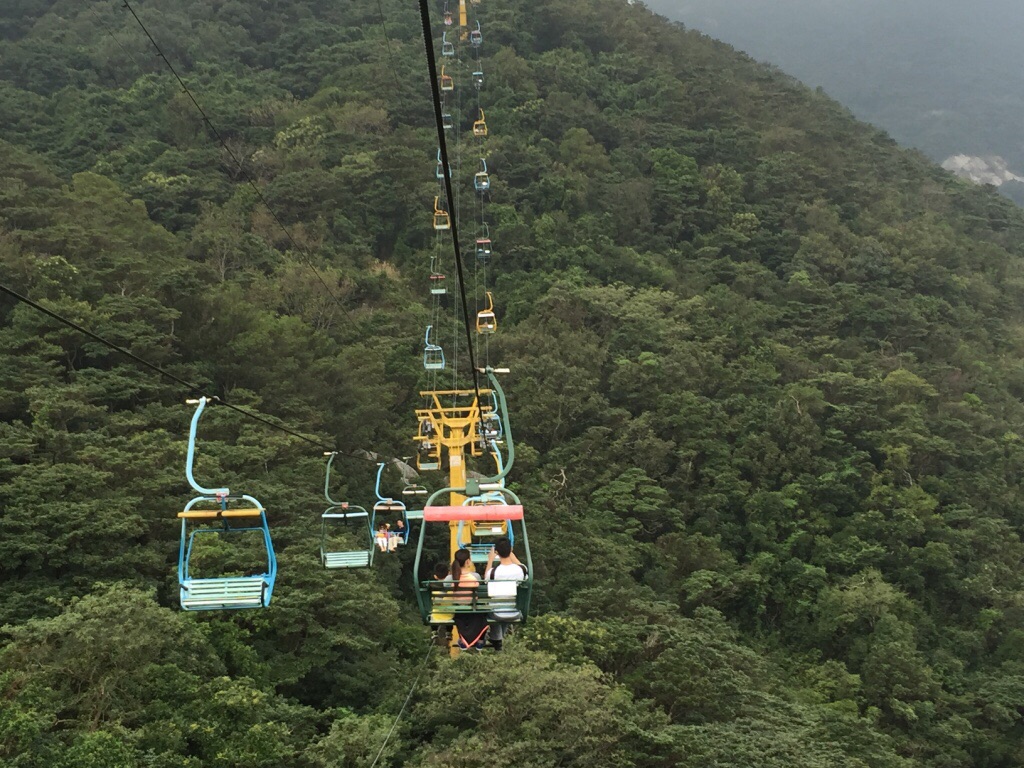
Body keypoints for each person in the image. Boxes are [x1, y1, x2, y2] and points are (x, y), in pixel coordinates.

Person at [484, 538, 527, 651]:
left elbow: (485, 579)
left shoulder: (493, 573)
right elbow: (523, 568)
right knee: (507, 602)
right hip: (515, 611)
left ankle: (496, 638)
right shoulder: (521, 570)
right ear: (511, 549)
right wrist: (511, 553)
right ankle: (497, 639)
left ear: (496, 552)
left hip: (496, 613)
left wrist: (490, 560)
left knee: (495, 604)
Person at [450, 549, 488, 650]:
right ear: (467, 562)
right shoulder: (474, 577)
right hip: (473, 611)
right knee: (483, 612)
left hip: (460, 612)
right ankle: (480, 641)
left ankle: (463, 640)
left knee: (460, 612)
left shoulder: (452, 578)